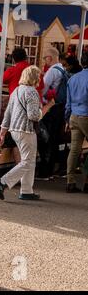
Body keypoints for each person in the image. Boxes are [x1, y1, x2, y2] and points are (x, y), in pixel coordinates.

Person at [0, 66, 54, 201]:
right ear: (34, 77)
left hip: (15, 130)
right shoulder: (32, 92)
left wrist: (2, 133)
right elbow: (34, 116)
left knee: (29, 160)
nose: (40, 79)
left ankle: (26, 190)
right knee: (27, 161)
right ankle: (2, 182)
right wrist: (47, 107)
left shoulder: (16, 90)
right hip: (26, 130)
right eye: (38, 76)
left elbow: (7, 113)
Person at [37, 47, 70, 179]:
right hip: (60, 108)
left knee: (46, 139)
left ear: (49, 58)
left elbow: (42, 89)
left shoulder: (52, 71)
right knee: (55, 139)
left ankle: (44, 171)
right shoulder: (63, 69)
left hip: (50, 108)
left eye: (45, 58)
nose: (44, 60)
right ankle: (53, 169)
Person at [65, 53, 88, 193]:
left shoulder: (72, 79)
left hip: (74, 115)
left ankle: (70, 181)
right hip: (87, 115)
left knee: (74, 149)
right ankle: (87, 182)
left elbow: (68, 103)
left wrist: (66, 119)